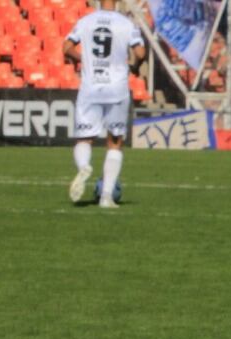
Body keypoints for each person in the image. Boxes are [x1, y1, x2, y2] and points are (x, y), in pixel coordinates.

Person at [64, 0, 145, 210]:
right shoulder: (126, 23)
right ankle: (106, 197)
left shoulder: (85, 21)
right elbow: (140, 53)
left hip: (91, 85)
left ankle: (84, 166)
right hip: (117, 87)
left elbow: (66, 47)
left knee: (84, 138)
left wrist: (83, 58)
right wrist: (134, 66)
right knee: (115, 142)